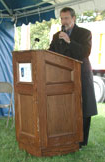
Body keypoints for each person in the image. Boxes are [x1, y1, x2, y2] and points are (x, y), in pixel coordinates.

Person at [48, 7, 97, 148]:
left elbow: (85, 52)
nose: (64, 21)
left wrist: (69, 41)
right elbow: (51, 53)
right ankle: (67, 136)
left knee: (84, 107)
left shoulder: (85, 33)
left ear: (74, 18)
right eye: (62, 18)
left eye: (66, 18)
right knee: (67, 107)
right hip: (63, 76)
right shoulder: (57, 36)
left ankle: (82, 141)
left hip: (81, 75)